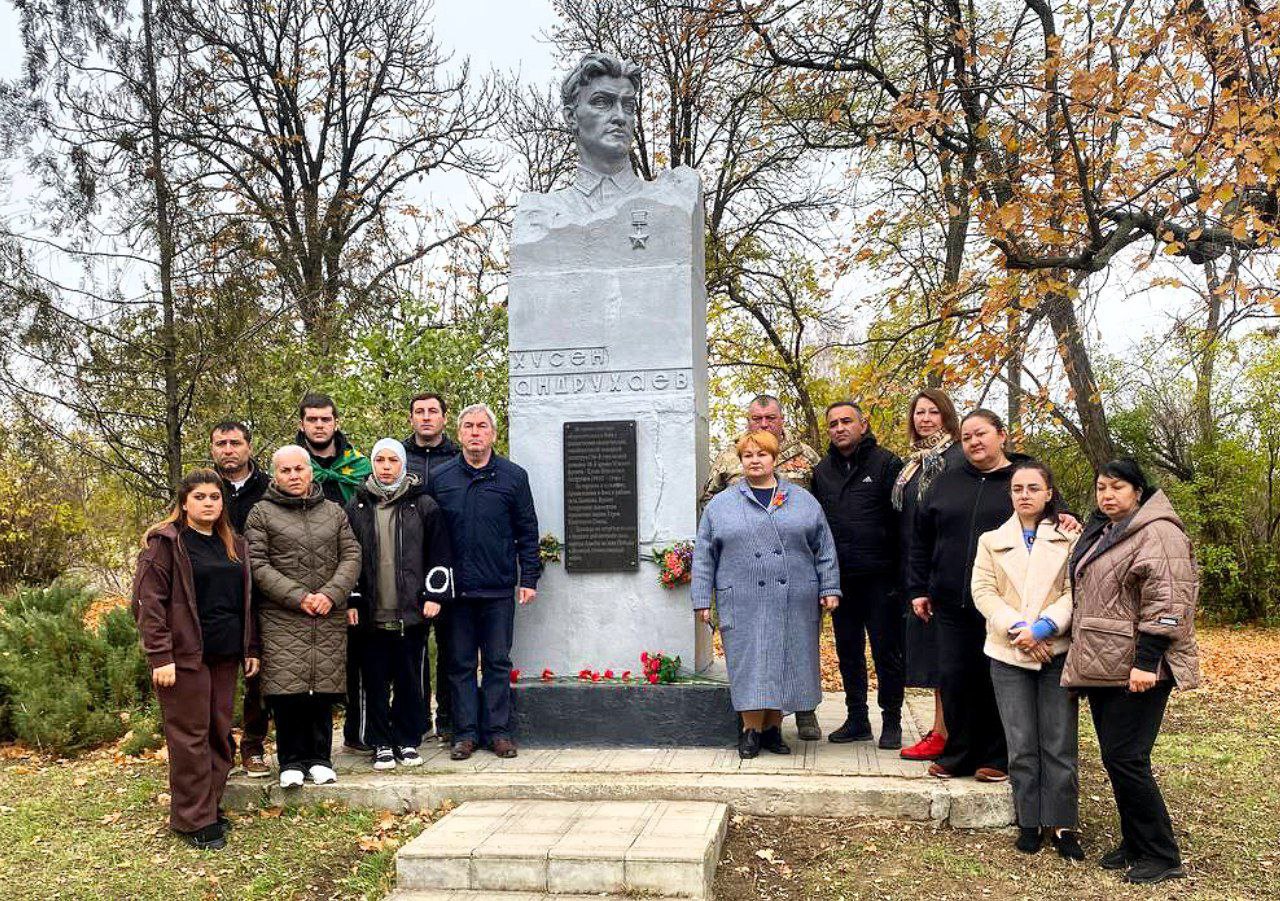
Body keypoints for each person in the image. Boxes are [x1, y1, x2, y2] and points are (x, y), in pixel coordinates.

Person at [1063, 459, 1200, 885]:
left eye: (1117, 487)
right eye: (1101, 487)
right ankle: (1136, 842)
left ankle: (1161, 853)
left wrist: (1146, 662)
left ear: (1138, 492)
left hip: (1140, 667)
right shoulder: (1108, 531)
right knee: (1115, 757)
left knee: (1128, 758)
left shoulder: (1159, 532)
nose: (1107, 495)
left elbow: (1170, 602)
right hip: (1107, 662)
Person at [692, 430, 842, 759]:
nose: (755, 460)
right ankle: (751, 730)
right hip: (742, 596)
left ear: (774, 459)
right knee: (750, 662)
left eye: (762, 454)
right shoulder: (721, 504)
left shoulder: (803, 500)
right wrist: (702, 599)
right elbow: (704, 555)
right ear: (740, 461)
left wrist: (830, 587)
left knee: (785, 660)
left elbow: (824, 547)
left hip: (794, 596)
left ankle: (774, 729)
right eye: (748, 455)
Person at [131, 469, 259, 850]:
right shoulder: (166, 544)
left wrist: (251, 647)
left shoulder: (234, 544)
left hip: (225, 655)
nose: (208, 503)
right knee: (190, 736)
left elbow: (247, 602)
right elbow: (148, 604)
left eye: (214, 497)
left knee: (219, 733)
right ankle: (192, 819)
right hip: (184, 658)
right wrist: (160, 656)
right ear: (184, 503)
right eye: (200, 497)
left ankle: (209, 806)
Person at [971, 461, 1084, 860]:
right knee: (1020, 743)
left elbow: (1075, 590)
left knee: (1059, 741)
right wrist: (1019, 629)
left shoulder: (1069, 538)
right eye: (1018, 488)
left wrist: (1045, 627)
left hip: (1055, 650)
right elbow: (983, 591)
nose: (1025, 495)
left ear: (1049, 493)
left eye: (1033, 488)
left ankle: (1063, 822)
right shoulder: (992, 540)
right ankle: (1030, 820)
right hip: (1009, 651)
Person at [907, 409, 1027, 782]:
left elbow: (1052, 514)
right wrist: (918, 588)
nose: (974, 442)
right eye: (967, 437)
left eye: (981, 433)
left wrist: (1066, 516)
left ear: (1001, 435)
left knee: (995, 677)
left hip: (1003, 603)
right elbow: (921, 537)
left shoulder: (1020, 480)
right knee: (954, 677)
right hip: (950, 600)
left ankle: (996, 756)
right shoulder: (946, 482)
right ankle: (957, 753)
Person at [244, 445, 361, 788]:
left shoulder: (334, 511)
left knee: (321, 687)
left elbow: (352, 554)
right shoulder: (261, 513)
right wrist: (299, 597)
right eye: (286, 470)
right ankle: (291, 761)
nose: (294, 476)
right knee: (288, 689)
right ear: (275, 475)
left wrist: (330, 594)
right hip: (282, 616)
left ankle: (320, 758)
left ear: (310, 471)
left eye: (299, 469)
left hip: (326, 613)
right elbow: (257, 564)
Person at [429, 404, 541, 761]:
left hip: (498, 588)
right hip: (457, 592)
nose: (475, 432)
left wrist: (529, 577)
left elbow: (527, 530)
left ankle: (498, 732)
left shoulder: (513, 477)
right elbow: (430, 536)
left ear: (493, 433)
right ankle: (465, 734)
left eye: (481, 426)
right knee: (460, 664)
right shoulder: (441, 478)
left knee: (497, 662)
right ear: (459, 433)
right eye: (468, 426)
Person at [345, 439, 455, 770]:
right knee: (374, 680)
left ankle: (407, 739)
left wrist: (434, 594)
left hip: (412, 611)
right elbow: (346, 556)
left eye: (393, 460)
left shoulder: (423, 505)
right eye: (380, 460)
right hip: (371, 611)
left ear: (403, 464)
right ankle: (380, 742)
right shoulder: (357, 506)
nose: (386, 466)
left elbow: (439, 552)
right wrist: (352, 598)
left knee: (410, 680)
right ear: (372, 464)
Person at [810, 401, 906, 749]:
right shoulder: (821, 472)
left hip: (881, 578)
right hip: (841, 579)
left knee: (886, 652)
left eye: (846, 421)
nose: (839, 428)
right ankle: (857, 719)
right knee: (848, 651)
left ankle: (892, 721)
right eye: (833, 423)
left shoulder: (887, 463)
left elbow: (902, 520)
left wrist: (902, 576)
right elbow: (817, 527)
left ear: (862, 425)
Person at [292, 392, 373, 753]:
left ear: (336, 422)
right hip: (304, 580)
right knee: (309, 662)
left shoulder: (359, 467)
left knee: (359, 656)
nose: (319, 425)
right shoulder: (291, 465)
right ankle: (305, 745)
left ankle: (359, 732)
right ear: (302, 424)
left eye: (326, 419)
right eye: (312, 419)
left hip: (353, 572)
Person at [893, 389, 964, 761]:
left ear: (947, 416)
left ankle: (949, 734)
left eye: (933, 412)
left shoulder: (958, 458)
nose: (924, 419)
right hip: (917, 571)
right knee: (935, 660)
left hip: (948, 570)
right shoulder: (914, 464)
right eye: (919, 412)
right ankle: (941, 730)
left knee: (949, 660)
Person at [210, 419, 273, 778]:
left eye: (235, 443)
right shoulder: (204, 488)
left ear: (249, 446)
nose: (228, 450)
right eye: (221, 444)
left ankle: (253, 747)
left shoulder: (268, 487)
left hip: (261, 595)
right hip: (216, 597)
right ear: (212, 449)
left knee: (257, 678)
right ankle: (219, 750)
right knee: (216, 680)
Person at [402, 392, 461, 741]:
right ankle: (418, 718)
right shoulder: (399, 456)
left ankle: (449, 719)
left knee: (451, 646)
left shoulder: (457, 457)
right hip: (409, 563)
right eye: (419, 412)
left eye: (433, 411)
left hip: (449, 562)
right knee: (415, 648)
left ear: (444, 417)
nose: (426, 417)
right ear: (411, 418)